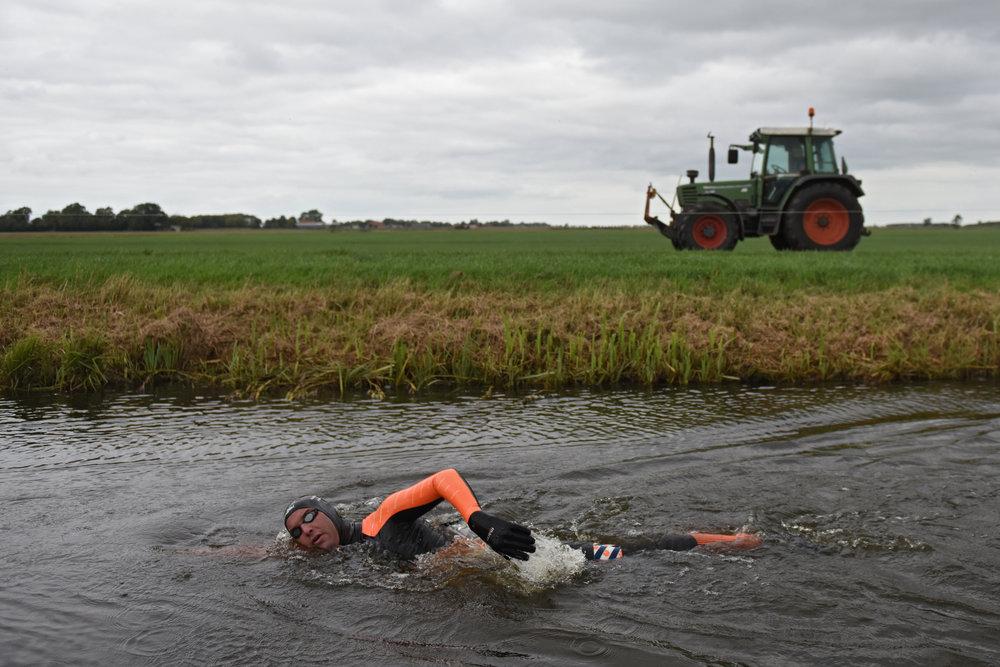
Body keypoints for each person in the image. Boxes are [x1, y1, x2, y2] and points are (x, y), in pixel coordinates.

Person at [284, 468, 761, 562]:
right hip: (470, 575)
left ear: (326, 511)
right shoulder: (344, 558)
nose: (305, 533)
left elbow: (442, 479)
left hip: (491, 553)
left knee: (614, 555)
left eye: (307, 518)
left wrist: (478, 520)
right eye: (296, 535)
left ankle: (724, 541)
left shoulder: (381, 519)